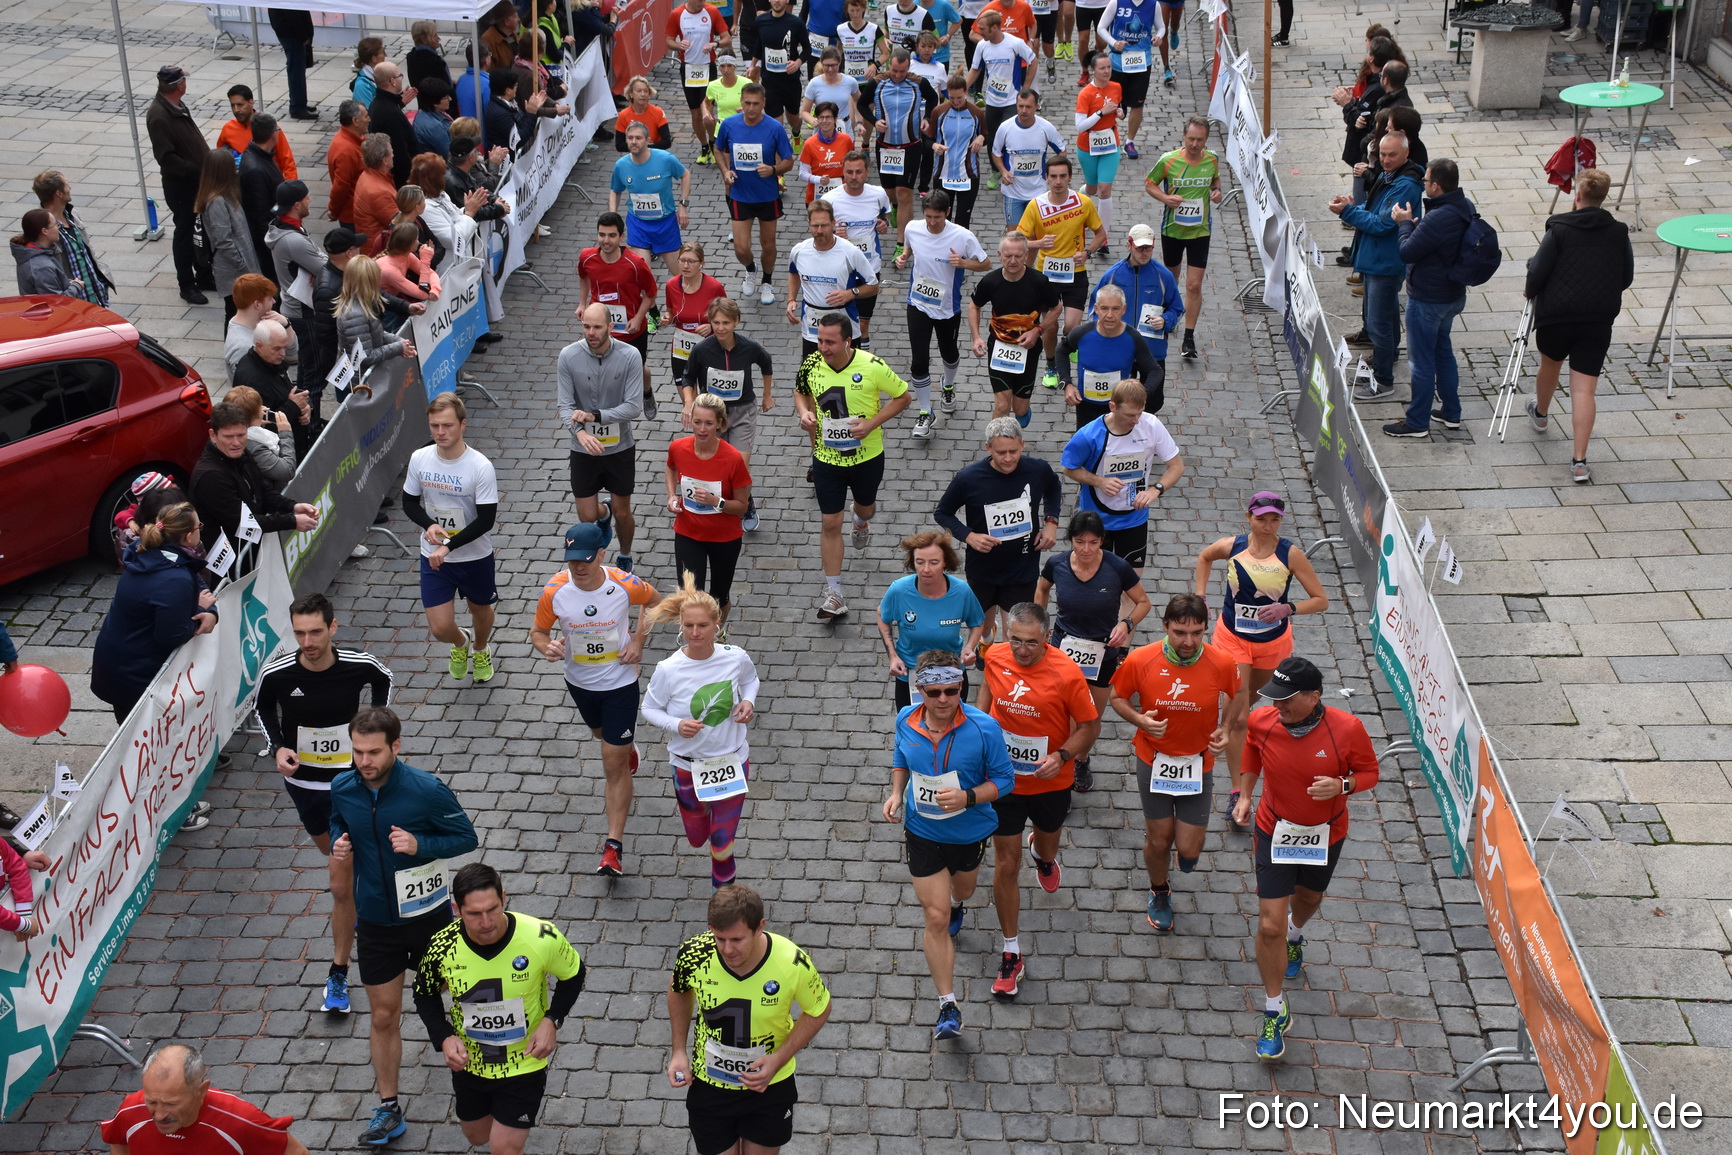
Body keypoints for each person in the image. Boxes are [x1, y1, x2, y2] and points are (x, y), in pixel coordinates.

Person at [328, 705, 480, 1146]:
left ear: (395, 746)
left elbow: (466, 838)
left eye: (373, 752)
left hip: (429, 919)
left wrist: (419, 844)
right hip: (376, 922)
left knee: (453, 993)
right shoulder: (342, 787)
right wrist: (339, 840)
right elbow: (339, 820)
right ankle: (389, 1107)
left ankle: (481, 1065)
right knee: (383, 1014)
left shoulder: (426, 790)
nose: (364, 761)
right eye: (357, 752)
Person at [255, 592, 393, 1015]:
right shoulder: (279, 673)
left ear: (332, 627)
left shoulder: (358, 664)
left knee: (339, 882)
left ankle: (338, 972)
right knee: (332, 853)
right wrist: (278, 747)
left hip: (351, 783)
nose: (308, 642)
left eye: (315, 632)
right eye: (299, 633)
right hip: (305, 785)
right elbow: (263, 707)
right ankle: (365, 887)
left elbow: (384, 679)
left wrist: (373, 729)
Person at [1234, 656, 1378, 1059]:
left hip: (1325, 833)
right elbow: (1251, 751)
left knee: (1310, 898)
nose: (1277, 706)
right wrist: (1245, 795)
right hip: (1274, 829)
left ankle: (1296, 935)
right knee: (1269, 925)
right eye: (1274, 698)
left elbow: (1370, 772)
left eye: (1287, 699)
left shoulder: (1347, 729)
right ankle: (1274, 1008)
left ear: (1314, 697)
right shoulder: (1263, 721)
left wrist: (1342, 785)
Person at [412, 863, 585, 1155]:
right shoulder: (442, 947)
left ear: (503, 897)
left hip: (524, 1061)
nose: (486, 921)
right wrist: (444, 1036)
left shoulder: (540, 937)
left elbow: (574, 974)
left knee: (504, 1148)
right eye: (474, 914)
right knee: (477, 1135)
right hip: (471, 1063)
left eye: (492, 909)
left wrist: (552, 1020)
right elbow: (424, 993)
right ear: (456, 909)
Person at [884, 650, 1014, 1038]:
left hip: (969, 833)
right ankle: (948, 1006)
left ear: (961, 687)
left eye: (952, 691)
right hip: (922, 831)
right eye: (934, 692)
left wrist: (968, 798)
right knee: (936, 917)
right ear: (920, 690)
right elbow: (901, 756)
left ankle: (959, 901)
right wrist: (897, 792)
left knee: (964, 890)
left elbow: (1005, 780)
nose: (944, 699)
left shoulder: (984, 728)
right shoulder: (906, 719)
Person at [977, 601, 1099, 996]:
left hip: (1050, 782)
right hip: (1004, 781)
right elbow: (984, 699)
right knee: (1005, 864)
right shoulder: (996, 656)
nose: (1022, 650)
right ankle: (1011, 952)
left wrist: (1062, 756)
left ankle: (1042, 855)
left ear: (1047, 637)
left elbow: (1089, 726)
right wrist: (978, 740)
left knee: (1047, 845)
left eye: (1031, 642)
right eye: (1016, 640)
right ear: (1007, 633)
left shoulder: (1067, 672)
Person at [530, 522, 663, 878]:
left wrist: (639, 641)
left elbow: (655, 601)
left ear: (601, 555)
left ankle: (612, 848)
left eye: (586, 560)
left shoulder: (623, 583)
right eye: (573, 560)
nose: (579, 567)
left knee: (612, 764)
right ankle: (624, 745)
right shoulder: (555, 590)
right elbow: (538, 632)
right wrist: (547, 647)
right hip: (580, 684)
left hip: (620, 683)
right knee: (601, 736)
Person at [1193, 490, 1329, 830]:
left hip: (1272, 644)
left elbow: (1320, 599)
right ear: (1249, 518)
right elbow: (1204, 557)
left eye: (1274, 520)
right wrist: (1200, 596)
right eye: (1261, 519)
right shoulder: (1233, 547)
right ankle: (1237, 790)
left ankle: (1229, 727)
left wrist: (1289, 608)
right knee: (1239, 713)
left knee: (1251, 699)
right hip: (1232, 637)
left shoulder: (1290, 554)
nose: (1267, 526)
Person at [666, 885, 833, 1155]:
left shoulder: (791, 962)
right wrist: (678, 1051)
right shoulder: (693, 954)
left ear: (759, 928)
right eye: (719, 938)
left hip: (769, 1087)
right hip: (710, 1085)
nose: (727, 949)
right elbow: (679, 988)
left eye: (737, 939)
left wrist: (777, 1060)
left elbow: (819, 1009)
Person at [1110, 592, 1241, 933]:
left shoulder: (1221, 662)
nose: (1189, 641)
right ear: (1165, 626)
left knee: (1189, 849)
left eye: (1197, 633)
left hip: (1198, 763)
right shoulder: (1142, 659)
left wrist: (1226, 727)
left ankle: (1185, 854)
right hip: (1153, 759)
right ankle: (1159, 891)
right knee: (1159, 840)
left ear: (1205, 629)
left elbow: (1237, 692)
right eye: (1180, 632)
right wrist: (1140, 720)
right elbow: (1117, 697)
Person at [642, 580, 762, 885]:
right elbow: (649, 708)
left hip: (731, 762)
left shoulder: (734, 656)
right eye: (689, 626)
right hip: (687, 765)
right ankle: (705, 818)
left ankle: (723, 905)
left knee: (722, 844)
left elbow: (750, 680)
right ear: (681, 625)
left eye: (703, 625)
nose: (695, 633)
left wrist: (748, 701)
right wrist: (676, 725)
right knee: (697, 837)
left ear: (717, 624)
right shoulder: (668, 669)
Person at [793, 313, 912, 619]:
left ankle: (861, 521)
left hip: (867, 458)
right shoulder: (811, 363)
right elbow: (800, 391)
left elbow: (903, 398)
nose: (823, 347)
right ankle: (834, 593)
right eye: (820, 340)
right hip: (826, 458)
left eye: (830, 342)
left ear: (848, 341)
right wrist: (804, 412)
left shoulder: (872, 366)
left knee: (865, 508)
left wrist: (872, 423)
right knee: (830, 522)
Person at [1525, 168, 1633, 485]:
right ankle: (1580, 461)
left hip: (1557, 316)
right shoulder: (1619, 232)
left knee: (1550, 364)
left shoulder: (1558, 229)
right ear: (1603, 197)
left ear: (1577, 196)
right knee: (1584, 390)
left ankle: (1541, 414)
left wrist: (1531, 289)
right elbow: (1626, 276)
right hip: (1597, 319)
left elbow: (1539, 270)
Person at [1035, 508, 1148, 790]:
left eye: (1093, 543)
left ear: (1102, 541)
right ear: (1070, 539)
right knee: (1060, 710)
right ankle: (1060, 759)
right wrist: (1039, 623)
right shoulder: (1057, 564)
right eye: (1080, 542)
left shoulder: (1117, 567)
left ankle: (1081, 759)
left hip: (1102, 651)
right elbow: (1042, 589)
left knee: (1091, 716)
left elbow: (1143, 602)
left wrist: (1126, 624)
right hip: (1064, 648)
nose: (1086, 549)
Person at [935, 416, 1063, 649]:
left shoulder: (1037, 470)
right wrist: (969, 536)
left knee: (1013, 635)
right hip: (983, 568)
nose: (1008, 458)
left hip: (1022, 566)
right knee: (982, 624)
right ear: (988, 448)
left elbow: (1054, 487)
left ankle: (1002, 665)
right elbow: (943, 513)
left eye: (1013, 451)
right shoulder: (969, 478)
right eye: (1001, 452)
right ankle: (986, 638)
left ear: (1022, 444)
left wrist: (1051, 522)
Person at [401, 395, 500, 684]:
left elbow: (486, 520)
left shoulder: (480, 467)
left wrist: (448, 547)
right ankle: (461, 642)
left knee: (480, 609)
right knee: (440, 628)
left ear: (462, 425)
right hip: (434, 557)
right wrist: (429, 525)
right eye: (434, 426)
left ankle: (480, 648)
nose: (440, 432)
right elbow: (409, 502)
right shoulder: (420, 458)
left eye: (447, 425)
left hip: (474, 556)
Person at [89, 502, 217, 723]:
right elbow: (172, 635)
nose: (200, 530)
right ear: (188, 536)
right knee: (140, 734)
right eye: (199, 526)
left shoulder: (146, 551)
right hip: (136, 677)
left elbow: (196, 580)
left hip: (119, 664)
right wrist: (201, 610)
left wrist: (210, 609)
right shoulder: (174, 580)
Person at [1381, 158, 1474, 438]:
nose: (1424, 185)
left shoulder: (1439, 217)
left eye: (1426, 181)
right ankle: (1451, 412)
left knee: (1421, 362)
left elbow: (1407, 252)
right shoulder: (1464, 206)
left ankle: (1417, 422)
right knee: (1442, 352)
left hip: (1428, 300)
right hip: (1452, 295)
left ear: (1436, 185)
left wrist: (1405, 224)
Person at [1330, 130, 1423, 403]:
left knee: (1378, 323)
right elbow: (1374, 210)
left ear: (1406, 153)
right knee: (1386, 315)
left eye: (1392, 155)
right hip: (1377, 259)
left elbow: (1382, 224)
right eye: (1382, 154)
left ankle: (1383, 381)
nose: (1385, 159)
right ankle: (1388, 357)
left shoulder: (1404, 185)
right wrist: (1352, 206)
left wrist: (1348, 212)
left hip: (1385, 261)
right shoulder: (1390, 175)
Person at [1058, 380, 1183, 574]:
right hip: (1097, 521)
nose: (1136, 420)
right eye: (1130, 415)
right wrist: (1100, 481)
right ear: (1113, 407)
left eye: (1140, 413)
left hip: (1134, 518)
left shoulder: (1151, 425)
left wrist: (1155, 490)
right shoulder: (1090, 435)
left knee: (1131, 582)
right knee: (1096, 579)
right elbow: (1068, 468)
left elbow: (1176, 466)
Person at [892, 190, 991, 433]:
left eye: (937, 217)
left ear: (947, 212)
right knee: (919, 360)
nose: (932, 222)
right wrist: (903, 258)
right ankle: (926, 411)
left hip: (947, 308)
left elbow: (986, 263)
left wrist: (964, 263)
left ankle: (948, 385)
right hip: (918, 303)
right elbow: (908, 249)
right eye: (928, 216)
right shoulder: (913, 228)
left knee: (949, 353)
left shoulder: (962, 236)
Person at [560, 302, 649, 569]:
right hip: (583, 448)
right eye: (586, 326)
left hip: (619, 447)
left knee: (623, 513)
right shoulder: (568, 356)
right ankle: (603, 512)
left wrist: (595, 416)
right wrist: (580, 434)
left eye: (597, 327)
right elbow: (565, 406)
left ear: (610, 326)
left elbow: (633, 407)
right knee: (587, 515)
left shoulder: (630, 355)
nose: (591, 333)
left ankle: (625, 554)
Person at [101, 1044, 307, 1155]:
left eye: (171, 1104)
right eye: (152, 1102)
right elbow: (118, 1142)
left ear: (201, 1091)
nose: (160, 1115)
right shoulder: (130, 1110)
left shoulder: (241, 1121)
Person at [189, 403, 320, 570]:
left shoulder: (241, 453)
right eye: (228, 437)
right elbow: (243, 523)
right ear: (213, 435)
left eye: (241, 435)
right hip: (228, 564)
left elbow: (263, 491)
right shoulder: (210, 477)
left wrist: (292, 506)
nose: (236, 443)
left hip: (248, 550)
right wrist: (292, 521)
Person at [1016, 156, 1106, 387]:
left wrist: (1087, 253)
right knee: (1050, 326)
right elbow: (1018, 241)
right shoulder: (1035, 205)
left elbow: (1100, 234)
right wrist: (1038, 244)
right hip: (1045, 276)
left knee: (1071, 326)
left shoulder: (1083, 202)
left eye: (1062, 176)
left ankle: (1067, 346)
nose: (1058, 181)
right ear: (1046, 177)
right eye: (1053, 176)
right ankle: (1051, 366)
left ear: (1070, 178)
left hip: (1075, 273)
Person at [664, 394, 754, 621]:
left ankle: (717, 633)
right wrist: (672, 495)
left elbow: (742, 506)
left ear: (720, 424)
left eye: (709, 423)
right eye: (697, 422)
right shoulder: (678, 447)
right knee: (690, 596)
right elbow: (671, 467)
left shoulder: (733, 459)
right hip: (688, 533)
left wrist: (716, 502)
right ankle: (696, 637)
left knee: (719, 597)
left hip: (724, 539)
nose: (702, 429)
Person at [876, 531, 986, 709]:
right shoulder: (899, 590)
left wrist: (969, 647)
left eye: (934, 563)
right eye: (920, 562)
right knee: (912, 724)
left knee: (952, 723)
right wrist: (893, 656)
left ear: (945, 563)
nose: (926, 569)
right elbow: (882, 616)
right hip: (911, 674)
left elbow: (977, 622)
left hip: (952, 674)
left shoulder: (961, 591)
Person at [1144, 115, 1221, 360]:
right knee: (1172, 281)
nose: (1195, 144)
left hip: (1200, 231)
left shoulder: (1212, 159)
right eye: (1191, 139)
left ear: (1206, 140)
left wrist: (1216, 191)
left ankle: (1189, 337)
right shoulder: (1168, 160)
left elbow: (1215, 180)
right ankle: (1169, 318)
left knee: (1194, 285)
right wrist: (1166, 198)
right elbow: (1149, 184)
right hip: (1173, 231)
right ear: (1183, 136)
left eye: (1200, 140)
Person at [968, 232, 1059, 427]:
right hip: (999, 347)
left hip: (1029, 349)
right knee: (1002, 405)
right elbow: (974, 305)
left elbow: (1056, 308)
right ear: (999, 255)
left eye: (1018, 256)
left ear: (1026, 255)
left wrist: (1038, 330)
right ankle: (995, 441)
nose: (1013, 261)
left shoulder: (1039, 282)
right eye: (1008, 256)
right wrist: (976, 337)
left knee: (1019, 410)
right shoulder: (990, 281)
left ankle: (1023, 409)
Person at [716, 84, 796, 308]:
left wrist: (773, 169)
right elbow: (718, 149)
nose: (751, 108)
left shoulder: (774, 128)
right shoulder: (729, 124)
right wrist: (725, 171)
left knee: (768, 245)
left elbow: (789, 161)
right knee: (741, 248)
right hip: (740, 194)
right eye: (747, 103)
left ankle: (767, 281)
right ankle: (751, 270)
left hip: (767, 196)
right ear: (741, 102)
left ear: (764, 103)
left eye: (756, 104)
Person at [1088, 222, 1183, 409]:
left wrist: (1165, 320)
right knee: (1120, 401)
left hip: (1153, 351)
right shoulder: (1113, 275)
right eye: (1140, 248)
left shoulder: (1164, 276)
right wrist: (1103, 337)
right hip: (1120, 349)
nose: (1144, 253)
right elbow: (1094, 309)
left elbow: (1177, 308)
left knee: (1153, 402)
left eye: (1148, 248)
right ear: (1129, 245)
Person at [579, 212, 661, 416]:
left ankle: (647, 393)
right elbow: (583, 276)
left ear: (621, 236)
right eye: (602, 235)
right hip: (600, 327)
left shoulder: (636, 263)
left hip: (631, 330)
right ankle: (608, 409)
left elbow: (651, 293)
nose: (606, 240)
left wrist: (638, 318)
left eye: (611, 235)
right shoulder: (587, 257)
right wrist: (582, 304)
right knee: (600, 368)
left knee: (639, 369)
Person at [146, 66, 213, 304]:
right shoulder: (159, 115)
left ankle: (204, 274)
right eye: (184, 80)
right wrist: (195, 169)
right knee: (185, 234)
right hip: (182, 187)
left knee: (201, 230)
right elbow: (166, 158)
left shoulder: (175, 106)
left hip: (196, 183)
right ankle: (186, 284)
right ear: (179, 85)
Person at [785, 201, 879, 360]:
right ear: (808, 224)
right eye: (815, 226)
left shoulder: (850, 252)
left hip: (845, 328)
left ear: (833, 223)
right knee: (811, 374)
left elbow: (873, 286)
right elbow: (794, 273)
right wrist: (791, 299)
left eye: (824, 225)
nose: (819, 231)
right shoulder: (799, 251)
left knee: (847, 373)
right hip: (812, 331)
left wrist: (851, 293)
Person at [818, 152, 894, 346]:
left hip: (869, 266)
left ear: (867, 172)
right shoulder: (830, 199)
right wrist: (833, 233)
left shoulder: (878, 194)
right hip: (841, 269)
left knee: (863, 323)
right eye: (849, 172)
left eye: (858, 172)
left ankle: (861, 359)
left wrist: (884, 224)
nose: (853, 177)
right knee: (838, 323)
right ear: (843, 171)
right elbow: (818, 233)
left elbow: (886, 215)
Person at [870, 50, 938, 257]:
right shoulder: (878, 82)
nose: (898, 75)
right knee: (890, 192)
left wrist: (927, 118)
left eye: (902, 71)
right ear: (889, 66)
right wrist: (874, 121)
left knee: (905, 193)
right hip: (885, 146)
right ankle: (894, 206)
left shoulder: (918, 82)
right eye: (894, 71)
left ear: (908, 67)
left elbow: (933, 98)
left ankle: (902, 244)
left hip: (910, 146)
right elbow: (861, 104)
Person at [264, 180, 327, 390]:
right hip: (304, 310)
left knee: (307, 365)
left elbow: (318, 259)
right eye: (307, 198)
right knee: (314, 371)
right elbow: (327, 268)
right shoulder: (293, 240)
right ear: (297, 205)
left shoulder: (286, 227)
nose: (311, 201)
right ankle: (311, 411)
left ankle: (303, 404)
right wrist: (316, 269)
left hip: (297, 307)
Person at [610, 124, 691, 281]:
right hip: (638, 224)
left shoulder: (665, 159)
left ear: (648, 140)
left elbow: (685, 175)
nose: (634, 142)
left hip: (665, 224)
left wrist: (683, 205)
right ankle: (649, 298)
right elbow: (615, 190)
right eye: (630, 138)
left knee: (679, 276)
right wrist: (613, 216)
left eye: (638, 138)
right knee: (643, 275)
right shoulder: (621, 165)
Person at [968, 13, 1036, 183]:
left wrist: (1026, 88)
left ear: (995, 28)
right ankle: (995, 170)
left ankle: (1010, 170)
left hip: (1011, 101)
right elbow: (975, 69)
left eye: (983, 29)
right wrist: (963, 89)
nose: (979, 32)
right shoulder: (982, 46)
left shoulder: (1015, 43)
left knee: (1009, 136)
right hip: (992, 101)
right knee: (991, 137)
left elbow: (1033, 61)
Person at [231, 320, 314, 458]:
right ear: (259, 345)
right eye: (277, 348)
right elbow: (262, 425)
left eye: (284, 347)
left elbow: (287, 391)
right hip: (279, 454)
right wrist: (294, 406)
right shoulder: (253, 379)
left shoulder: (269, 361)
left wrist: (306, 407)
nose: (283, 353)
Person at [32, 170, 112, 307]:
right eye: (67, 185)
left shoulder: (72, 214)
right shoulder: (43, 227)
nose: (70, 188)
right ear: (59, 193)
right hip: (73, 300)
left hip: (94, 295)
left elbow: (87, 248)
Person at [667, 0, 734, 164]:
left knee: (708, 113)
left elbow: (727, 39)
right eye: (698, 1)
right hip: (688, 68)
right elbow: (669, 40)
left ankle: (713, 142)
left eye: (703, 0)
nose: (701, 4)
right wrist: (678, 45)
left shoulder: (712, 12)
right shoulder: (677, 14)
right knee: (696, 113)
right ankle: (704, 146)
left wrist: (715, 44)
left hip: (707, 67)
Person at [194, 150, 256, 320]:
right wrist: (243, 266)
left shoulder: (226, 194)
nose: (235, 170)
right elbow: (223, 241)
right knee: (235, 314)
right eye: (232, 166)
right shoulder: (217, 202)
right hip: (233, 271)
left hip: (240, 268)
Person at [1096, 0, 1161, 159]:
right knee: (1111, 102)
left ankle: (1129, 142)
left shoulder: (1154, 5)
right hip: (1118, 63)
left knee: (1138, 104)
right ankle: (1108, 136)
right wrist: (1114, 42)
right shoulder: (1116, 3)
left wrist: (1159, 37)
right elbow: (1101, 27)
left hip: (1142, 62)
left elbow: (1161, 27)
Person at [992, 88, 1066, 227]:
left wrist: (1052, 174)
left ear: (1037, 106)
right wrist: (1003, 171)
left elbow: (1062, 152)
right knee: (1014, 234)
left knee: (1035, 234)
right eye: (1020, 106)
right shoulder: (1005, 128)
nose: (1024, 110)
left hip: (1037, 191)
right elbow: (996, 153)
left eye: (1028, 107)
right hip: (1012, 192)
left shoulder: (1046, 128)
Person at [335, 255, 420, 375]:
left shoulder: (363, 303)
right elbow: (365, 357)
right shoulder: (355, 316)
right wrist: (398, 348)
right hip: (358, 381)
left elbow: (375, 333)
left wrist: (398, 341)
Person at [664, 242, 727, 401]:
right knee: (687, 399)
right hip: (681, 347)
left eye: (691, 261)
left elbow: (728, 317)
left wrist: (712, 326)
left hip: (708, 345)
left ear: (701, 263)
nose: (685, 266)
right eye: (682, 260)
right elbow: (670, 310)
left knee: (708, 400)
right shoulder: (671, 285)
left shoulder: (714, 287)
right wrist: (667, 318)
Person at [1075, 53, 1123, 245]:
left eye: (1109, 67)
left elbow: (1118, 108)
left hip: (1111, 144)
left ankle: (1103, 236)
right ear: (1093, 70)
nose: (1106, 71)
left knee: (1104, 190)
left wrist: (1119, 113)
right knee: (1093, 188)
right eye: (1102, 68)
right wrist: (1100, 113)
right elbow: (1080, 126)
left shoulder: (1116, 87)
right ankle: (1082, 193)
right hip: (1088, 146)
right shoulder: (1085, 94)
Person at [930, 76, 986, 228]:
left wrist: (981, 137)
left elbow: (987, 135)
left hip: (969, 175)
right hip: (942, 174)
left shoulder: (976, 113)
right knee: (942, 221)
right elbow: (927, 138)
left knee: (963, 222)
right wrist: (934, 145)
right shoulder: (938, 112)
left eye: (959, 98)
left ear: (966, 92)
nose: (955, 102)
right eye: (952, 98)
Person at [753, 0, 813, 142]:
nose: (777, 1)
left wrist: (797, 63)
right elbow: (759, 45)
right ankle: (780, 149)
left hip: (790, 81)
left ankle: (796, 133)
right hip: (769, 81)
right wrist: (752, 65)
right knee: (776, 124)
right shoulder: (761, 21)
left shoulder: (796, 23)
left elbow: (807, 49)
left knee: (793, 119)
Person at [236, 115, 286, 277]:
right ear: (273, 134)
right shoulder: (256, 169)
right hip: (268, 241)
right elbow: (260, 214)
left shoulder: (261, 155)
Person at [413, 154, 485, 263]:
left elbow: (456, 218)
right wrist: (469, 212)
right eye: (442, 173)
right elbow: (454, 240)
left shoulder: (441, 195)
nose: (446, 176)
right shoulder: (425, 209)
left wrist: (467, 208)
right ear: (434, 178)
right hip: (449, 269)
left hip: (462, 263)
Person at [217, 84, 298, 177]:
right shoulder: (228, 129)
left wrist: (290, 185)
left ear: (251, 102)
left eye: (240, 105)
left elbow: (288, 162)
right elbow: (220, 159)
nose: (236, 110)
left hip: (269, 179)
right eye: (232, 105)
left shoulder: (268, 127)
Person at [10, 210, 77, 297]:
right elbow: (56, 301)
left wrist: (68, 283)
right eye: (56, 224)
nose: (59, 228)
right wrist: (76, 286)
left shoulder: (35, 252)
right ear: (45, 231)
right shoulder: (41, 267)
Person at [325, 100, 371, 228]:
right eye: (366, 116)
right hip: (354, 217)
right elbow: (340, 187)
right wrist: (333, 210)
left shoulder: (356, 139)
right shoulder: (346, 151)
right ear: (355, 121)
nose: (369, 119)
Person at [801, 48, 864, 141]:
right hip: (822, 128)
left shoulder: (850, 82)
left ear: (839, 63)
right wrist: (812, 120)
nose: (830, 69)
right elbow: (804, 111)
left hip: (844, 129)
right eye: (827, 65)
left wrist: (859, 122)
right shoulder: (814, 84)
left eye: (833, 65)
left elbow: (859, 102)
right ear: (821, 64)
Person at [269, 7, 319, 120]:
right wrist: (303, 35)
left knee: (298, 70)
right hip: (291, 32)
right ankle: (297, 107)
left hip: (291, 31)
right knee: (296, 71)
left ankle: (300, 103)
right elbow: (292, 14)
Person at [352, 133, 400, 242]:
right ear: (385, 160)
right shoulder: (379, 193)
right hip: (380, 248)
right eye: (391, 152)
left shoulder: (367, 175)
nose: (393, 155)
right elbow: (400, 226)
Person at [703, 56, 751, 157]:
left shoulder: (746, 83)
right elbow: (706, 102)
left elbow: (757, 102)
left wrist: (746, 109)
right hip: (723, 129)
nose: (726, 70)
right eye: (722, 66)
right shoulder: (713, 86)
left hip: (743, 128)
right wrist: (706, 112)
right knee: (725, 163)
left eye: (729, 66)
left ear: (735, 67)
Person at [615, 76, 675, 151]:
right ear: (631, 94)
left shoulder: (658, 112)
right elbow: (619, 145)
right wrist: (639, 147)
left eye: (646, 91)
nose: (643, 94)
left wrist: (646, 148)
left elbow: (667, 141)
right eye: (639, 91)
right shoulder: (623, 115)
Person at [413, 79, 457, 159]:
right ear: (434, 102)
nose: (450, 99)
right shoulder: (435, 127)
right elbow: (450, 155)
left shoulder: (422, 113)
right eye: (445, 98)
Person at [407, 19, 454, 89]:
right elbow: (446, 87)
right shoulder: (435, 62)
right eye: (435, 35)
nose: (438, 38)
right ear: (424, 39)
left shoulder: (410, 56)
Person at [352, 37, 385, 107]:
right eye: (383, 52)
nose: (385, 55)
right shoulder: (362, 86)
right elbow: (371, 111)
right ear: (374, 58)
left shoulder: (379, 75)